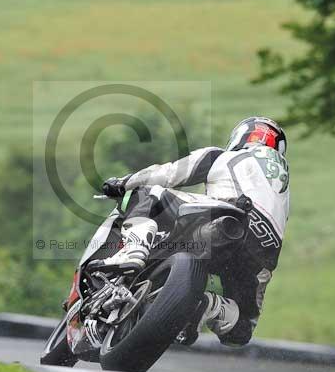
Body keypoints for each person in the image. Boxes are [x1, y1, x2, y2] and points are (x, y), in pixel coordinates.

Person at [92, 117, 290, 347]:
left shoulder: (222, 155)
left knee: (147, 193)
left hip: (224, 216)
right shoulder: (283, 185)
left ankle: (134, 250)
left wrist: (123, 183)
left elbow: (168, 174)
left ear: (242, 135)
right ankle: (209, 307)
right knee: (242, 329)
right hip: (263, 251)